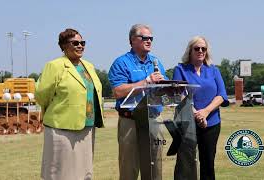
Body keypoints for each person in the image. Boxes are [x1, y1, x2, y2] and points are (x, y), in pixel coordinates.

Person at [35, 28, 104, 180]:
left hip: (87, 126)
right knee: (62, 172)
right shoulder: (54, 66)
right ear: (64, 46)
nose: (80, 46)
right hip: (62, 128)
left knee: (84, 172)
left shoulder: (89, 66)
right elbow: (41, 95)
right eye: (75, 43)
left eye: (82, 43)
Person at [108, 24, 167, 180]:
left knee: (155, 168)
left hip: (154, 119)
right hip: (130, 121)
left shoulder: (156, 62)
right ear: (133, 40)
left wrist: (169, 87)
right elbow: (117, 91)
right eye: (145, 38)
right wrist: (146, 81)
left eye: (151, 38)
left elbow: (166, 88)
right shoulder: (121, 63)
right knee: (129, 168)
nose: (149, 41)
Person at [172, 36, 229, 180]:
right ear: (190, 51)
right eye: (197, 48)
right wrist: (197, 115)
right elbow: (181, 94)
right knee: (185, 163)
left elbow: (221, 95)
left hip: (212, 123)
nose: (200, 51)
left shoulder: (214, 70)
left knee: (208, 164)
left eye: (203, 48)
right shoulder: (180, 69)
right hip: (186, 123)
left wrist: (205, 112)